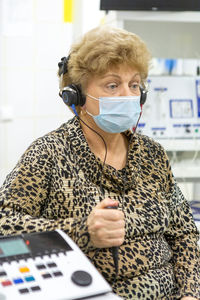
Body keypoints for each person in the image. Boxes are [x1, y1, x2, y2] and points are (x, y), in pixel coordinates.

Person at [0, 25, 199, 300]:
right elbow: (5, 224)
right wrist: (83, 230)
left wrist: (190, 292)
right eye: (112, 85)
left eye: (134, 85)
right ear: (77, 96)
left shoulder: (153, 154)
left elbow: (185, 235)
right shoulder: (49, 153)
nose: (128, 95)